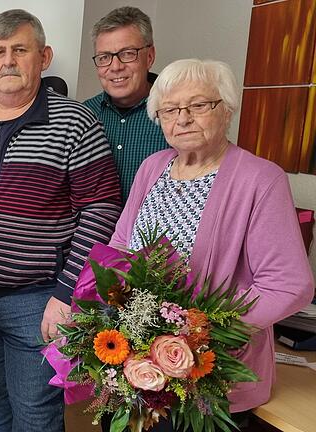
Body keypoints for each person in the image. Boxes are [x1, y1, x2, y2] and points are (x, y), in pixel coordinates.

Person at [106, 58, 314, 430]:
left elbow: (289, 286)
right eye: (170, 109)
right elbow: (121, 245)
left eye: (199, 105)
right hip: (135, 368)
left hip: (208, 379)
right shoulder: (152, 167)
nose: (182, 118)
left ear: (227, 110)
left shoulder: (260, 180)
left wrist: (198, 332)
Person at [0, 9, 122, 431]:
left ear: (43, 57)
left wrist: (66, 292)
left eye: (20, 50)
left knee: (36, 416)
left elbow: (101, 208)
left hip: (37, 299)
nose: (8, 61)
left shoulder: (75, 122)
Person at [84, 6, 169, 201]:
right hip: (93, 231)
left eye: (128, 53)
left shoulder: (177, 114)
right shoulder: (84, 115)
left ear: (149, 56)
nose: (115, 67)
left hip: (154, 231)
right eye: (104, 57)